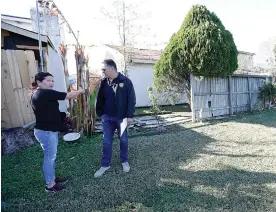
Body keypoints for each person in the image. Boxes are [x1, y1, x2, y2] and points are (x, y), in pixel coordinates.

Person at [30, 72, 84, 193]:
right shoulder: (44, 93)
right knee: (49, 158)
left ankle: (52, 179)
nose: (51, 83)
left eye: (52, 81)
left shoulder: (39, 94)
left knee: (51, 157)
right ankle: (50, 185)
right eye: (48, 81)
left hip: (46, 131)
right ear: (39, 82)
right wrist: (81, 91)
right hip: (46, 132)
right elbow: (69, 95)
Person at [94, 59, 136, 178]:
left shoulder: (126, 81)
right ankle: (105, 164)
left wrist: (129, 116)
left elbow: (131, 99)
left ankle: (124, 161)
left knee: (123, 140)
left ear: (112, 68)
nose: (102, 72)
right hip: (107, 117)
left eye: (104, 69)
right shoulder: (103, 82)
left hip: (122, 118)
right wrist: (101, 113)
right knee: (107, 141)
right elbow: (100, 98)